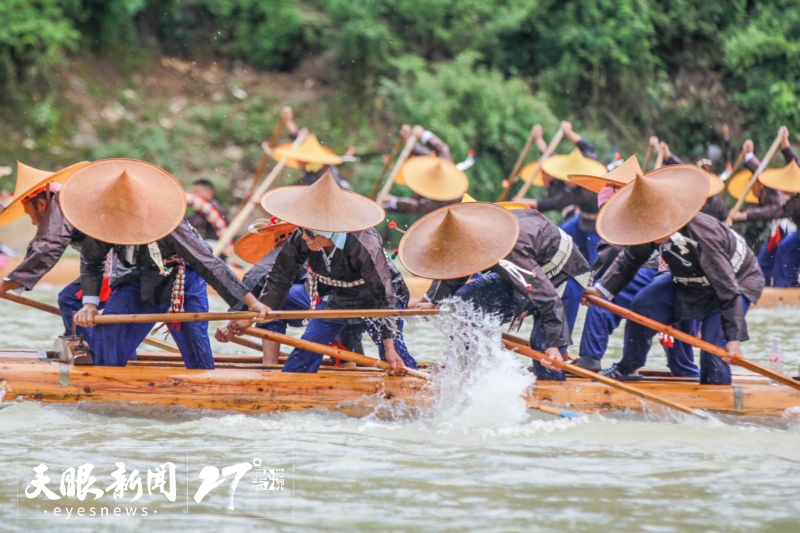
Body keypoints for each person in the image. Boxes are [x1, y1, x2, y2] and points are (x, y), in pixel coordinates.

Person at [63, 159, 269, 369]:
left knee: (195, 345)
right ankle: (107, 380)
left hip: (182, 280)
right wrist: (89, 304)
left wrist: (251, 304)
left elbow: (209, 265)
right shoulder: (103, 220)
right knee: (110, 332)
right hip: (135, 278)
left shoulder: (170, 225)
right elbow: (91, 260)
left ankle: (202, 382)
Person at [584, 165, 764, 385]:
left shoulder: (704, 236)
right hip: (688, 279)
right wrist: (599, 291)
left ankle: (716, 395)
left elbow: (728, 289)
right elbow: (629, 260)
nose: (651, 233)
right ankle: (628, 366)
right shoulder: (649, 224)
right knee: (643, 305)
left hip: (734, 283)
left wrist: (734, 340)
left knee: (713, 351)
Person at [226, 170, 415, 374]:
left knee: (393, 353)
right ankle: (291, 384)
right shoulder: (302, 236)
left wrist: (389, 345)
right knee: (308, 346)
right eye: (302, 229)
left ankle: (407, 381)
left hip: (380, 296)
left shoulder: (364, 244)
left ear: (329, 229)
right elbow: (280, 276)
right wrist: (252, 316)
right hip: (339, 296)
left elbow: (384, 295)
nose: (304, 237)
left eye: (310, 233)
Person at [404, 201, 591, 381]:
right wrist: (436, 300)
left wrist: (554, 345)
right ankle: (470, 372)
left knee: (543, 348)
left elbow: (546, 296)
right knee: (463, 302)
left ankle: (552, 385)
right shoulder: (473, 237)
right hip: (530, 267)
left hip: (564, 274)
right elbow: (458, 266)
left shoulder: (509, 250)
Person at [565, 156, 697, 375]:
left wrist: (588, 286)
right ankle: (685, 371)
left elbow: (612, 255)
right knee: (673, 324)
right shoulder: (646, 206)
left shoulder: (628, 213)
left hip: (648, 270)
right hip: (669, 274)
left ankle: (590, 358)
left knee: (602, 301)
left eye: (607, 208)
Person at [0, 161, 94, 338]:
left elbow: (48, 248)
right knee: (70, 299)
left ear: (42, 204)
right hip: (107, 265)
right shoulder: (66, 200)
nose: (32, 222)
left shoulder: (62, 202)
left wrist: (5, 285)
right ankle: (84, 346)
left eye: (29, 214)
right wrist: (8, 282)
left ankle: (86, 349)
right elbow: (40, 244)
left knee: (70, 299)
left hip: (120, 266)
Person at [519, 121, 607, 263]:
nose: (565, 180)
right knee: (558, 238)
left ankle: (596, 282)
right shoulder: (583, 164)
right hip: (581, 220)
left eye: (568, 178)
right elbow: (584, 148)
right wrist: (568, 133)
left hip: (596, 225)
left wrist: (520, 202)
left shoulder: (583, 192)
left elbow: (553, 203)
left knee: (596, 261)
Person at [728, 129, 795, 284]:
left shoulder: (771, 186)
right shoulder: (763, 196)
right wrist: (742, 216)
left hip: (788, 228)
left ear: (758, 184)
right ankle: (763, 292)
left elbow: (762, 171)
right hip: (777, 230)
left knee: (784, 260)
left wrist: (749, 156)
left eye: (752, 186)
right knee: (763, 264)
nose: (751, 190)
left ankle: (783, 294)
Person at [379, 125, 464, 215]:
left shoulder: (446, 197)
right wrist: (420, 135)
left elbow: (418, 206)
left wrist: (392, 201)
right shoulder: (442, 166)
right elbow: (442, 149)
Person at [275, 107, 351, 189]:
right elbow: (299, 137)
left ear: (305, 159)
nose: (298, 163)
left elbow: (306, 139)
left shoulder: (323, 169)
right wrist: (288, 121)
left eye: (299, 161)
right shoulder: (310, 172)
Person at [657, 138, 728, 221]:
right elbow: (686, 172)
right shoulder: (694, 189)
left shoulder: (716, 204)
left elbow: (723, 216)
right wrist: (668, 157)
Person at [758, 155, 800, 287]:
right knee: (768, 259)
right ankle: (778, 287)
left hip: (788, 231)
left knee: (785, 249)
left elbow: (773, 212)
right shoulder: (785, 195)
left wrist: (786, 146)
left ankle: (784, 287)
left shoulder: (792, 200)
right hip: (790, 232)